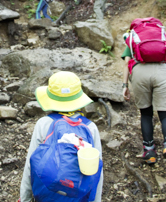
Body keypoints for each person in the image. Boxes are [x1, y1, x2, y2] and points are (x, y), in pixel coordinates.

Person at [20, 71, 104, 202]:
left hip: (47, 196)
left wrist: (24, 198)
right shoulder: (90, 128)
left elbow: (30, 165)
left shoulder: (43, 124)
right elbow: (97, 169)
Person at [121, 29, 166, 172]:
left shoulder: (133, 38)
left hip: (139, 73)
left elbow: (126, 63)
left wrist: (125, 85)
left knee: (146, 113)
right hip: (162, 73)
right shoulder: (161, 37)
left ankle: (149, 151)